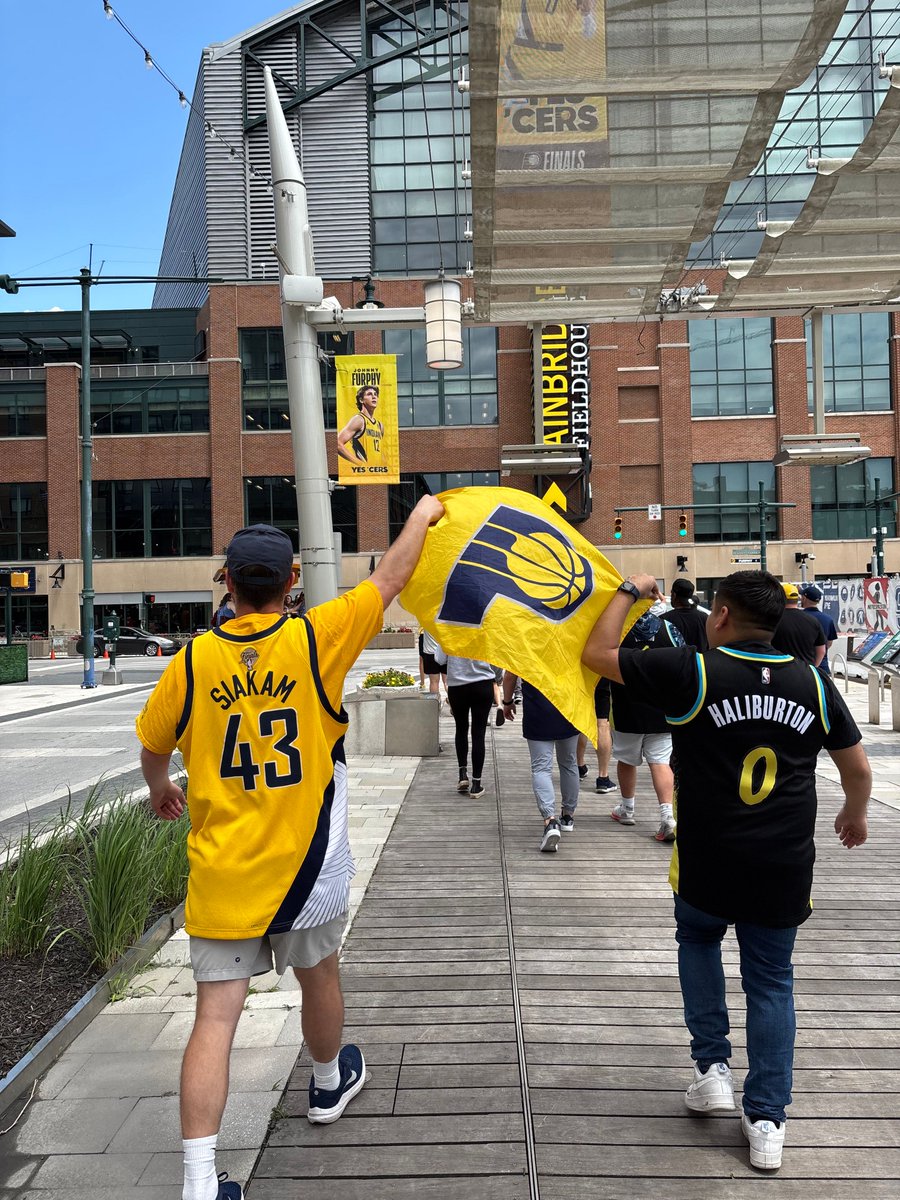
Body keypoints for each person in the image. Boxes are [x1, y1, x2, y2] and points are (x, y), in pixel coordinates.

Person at [136, 497, 444, 1200]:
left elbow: (153, 747)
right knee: (321, 976)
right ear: (292, 581)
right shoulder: (318, 637)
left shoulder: (192, 662)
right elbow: (390, 579)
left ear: (225, 581)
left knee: (215, 1016)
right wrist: (421, 516)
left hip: (224, 873)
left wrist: (162, 789)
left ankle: (197, 1183)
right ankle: (331, 1082)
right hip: (308, 866)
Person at [582, 569, 871, 1173]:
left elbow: (597, 653)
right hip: (782, 862)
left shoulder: (692, 670)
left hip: (709, 856)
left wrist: (630, 592)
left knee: (698, 940)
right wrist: (855, 814)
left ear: (719, 616)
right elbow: (857, 770)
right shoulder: (814, 683)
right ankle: (767, 1119)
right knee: (772, 980)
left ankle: (712, 1068)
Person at [608, 609, 684, 841]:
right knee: (661, 762)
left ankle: (627, 809)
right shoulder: (669, 628)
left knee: (627, 760)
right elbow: (683, 661)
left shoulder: (617, 629)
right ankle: (667, 817)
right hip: (662, 706)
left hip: (626, 705)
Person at [500, 672, 580, 853]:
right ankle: (568, 816)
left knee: (541, 768)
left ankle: (550, 820)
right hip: (569, 706)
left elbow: (510, 676)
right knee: (569, 763)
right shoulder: (570, 641)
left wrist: (507, 701)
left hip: (538, 709)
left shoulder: (526, 642)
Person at [433, 648, 495, 798]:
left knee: (461, 729)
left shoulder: (450, 627)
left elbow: (439, 659)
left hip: (457, 685)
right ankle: (476, 784)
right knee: (478, 734)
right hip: (483, 682)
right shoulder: (485, 626)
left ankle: (462, 774)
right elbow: (497, 658)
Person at [576, 678, 616, 794]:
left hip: (580, 670)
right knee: (602, 723)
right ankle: (603, 778)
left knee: (581, 720)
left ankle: (579, 766)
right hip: (601, 670)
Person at [771, 582, 825, 667]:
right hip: (806, 672)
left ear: (780, 598)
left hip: (780, 670)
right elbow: (821, 651)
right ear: (798, 599)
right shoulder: (813, 621)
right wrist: (813, 669)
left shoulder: (772, 620)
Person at [336, 384, 384, 466]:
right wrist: (360, 464)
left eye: (375, 394)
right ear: (361, 400)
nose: (374, 397)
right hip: (363, 475)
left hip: (377, 474)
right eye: (369, 394)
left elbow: (378, 452)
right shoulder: (359, 420)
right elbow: (338, 444)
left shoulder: (379, 425)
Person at [800, 585, 837, 675]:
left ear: (804, 598)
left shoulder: (799, 618)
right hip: (823, 667)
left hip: (802, 666)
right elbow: (829, 643)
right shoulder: (828, 619)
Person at [663, 578, 708, 650]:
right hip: (700, 660)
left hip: (675, 660)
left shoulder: (664, 620)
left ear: (674, 595)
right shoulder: (704, 618)